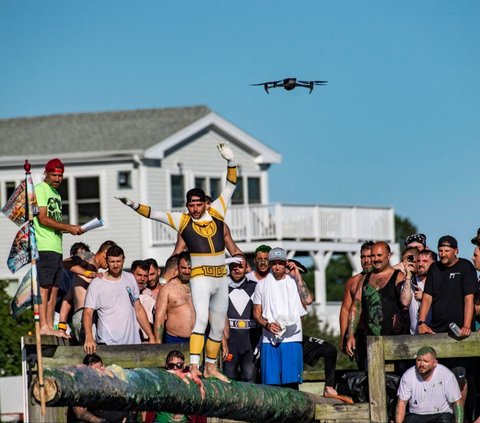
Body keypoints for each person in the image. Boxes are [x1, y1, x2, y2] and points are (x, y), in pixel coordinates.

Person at [116, 143, 236, 383]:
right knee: (201, 319)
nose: (194, 208)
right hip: (200, 275)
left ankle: (211, 367)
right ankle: (194, 366)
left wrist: (230, 161)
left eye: (198, 204)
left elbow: (231, 184)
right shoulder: (182, 220)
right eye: (190, 205)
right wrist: (132, 204)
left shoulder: (218, 212)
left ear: (205, 204)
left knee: (217, 324)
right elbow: (154, 213)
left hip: (220, 276)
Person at [33, 158, 85, 336]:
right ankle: (43, 326)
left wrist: (68, 229)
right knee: (45, 287)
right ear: (46, 173)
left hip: (56, 246)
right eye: (54, 175)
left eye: (60, 175)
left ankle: (49, 326)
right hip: (44, 244)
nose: (57, 178)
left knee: (55, 288)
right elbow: (43, 218)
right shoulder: (40, 189)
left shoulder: (56, 194)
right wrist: (68, 227)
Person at [253, 247, 312, 389]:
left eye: (280, 262)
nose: (277, 266)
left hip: (292, 338)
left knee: (291, 384)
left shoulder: (294, 282)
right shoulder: (261, 285)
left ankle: (295, 412)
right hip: (269, 339)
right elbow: (256, 312)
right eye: (274, 263)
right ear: (270, 264)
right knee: (271, 385)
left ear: (286, 263)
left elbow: (308, 300)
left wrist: (297, 275)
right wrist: (267, 325)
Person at [83, 245, 156, 353]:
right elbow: (88, 312)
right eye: (112, 261)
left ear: (123, 260)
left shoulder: (130, 278)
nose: (116, 265)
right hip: (108, 344)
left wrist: (151, 336)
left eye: (118, 261)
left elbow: (138, 308)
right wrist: (89, 337)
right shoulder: (97, 284)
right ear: (106, 261)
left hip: (132, 344)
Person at [346, 241, 410, 360]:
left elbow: (406, 302)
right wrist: (350, 335)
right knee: (371, 376)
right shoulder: (365, 278)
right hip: (370, 341)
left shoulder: (398, 276)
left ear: (389, 256)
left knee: (393, 377)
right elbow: (356, 307)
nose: (375, 259)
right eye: (373, 256)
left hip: (394, 340)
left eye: (379, 255)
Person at [58, 240, 117, 342]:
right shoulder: (90, 257)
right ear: (105, 254)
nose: (111, 264)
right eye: (110, 260)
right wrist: (87, 273)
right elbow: (66, 263)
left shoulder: (83, 274)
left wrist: (62, 327)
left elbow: (67, 301)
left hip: (81, 317)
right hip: (84, 317)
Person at [395, 346, 463, 423]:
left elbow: (457, 402)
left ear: (435, 363)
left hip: (441, 415)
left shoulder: (446, 375)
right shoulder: (408, 376)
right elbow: (402, 403)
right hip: (416, 415)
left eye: (426, 361)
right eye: (419, 360)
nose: (421, 364)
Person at [222, 254, 260, 383]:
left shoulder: (256, 287)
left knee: (250, 379)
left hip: (250, 342)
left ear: (246, 268)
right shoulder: (221, 286)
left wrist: (260, 341)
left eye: (240, 266)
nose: (237, 269)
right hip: (229, 342)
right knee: (228, 379)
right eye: (233, 266)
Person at [172, 195, 242, 258]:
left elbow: (235, 251)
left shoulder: (221, 226)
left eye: (210, 208)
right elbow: (177, 254)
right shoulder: (187, 228)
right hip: (197, 269)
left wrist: (250, 271)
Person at [339, 240, 373, 363]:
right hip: (359, 333)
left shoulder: (386, 277)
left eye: (369, 256)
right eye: (363, 257)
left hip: (380, 333)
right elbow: (345, 309)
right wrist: (343, 336)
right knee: (362, 371)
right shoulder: (353, 282)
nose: (366, 260)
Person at [72, 353, 128, 423]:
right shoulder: (83, 385)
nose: (100, 371)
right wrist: (101, 421)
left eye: (101, 366)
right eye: (95, 369)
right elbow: (80, 414)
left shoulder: (112, 376)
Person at [152, 350, 206, 423]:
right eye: (171, 365)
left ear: (184, 365)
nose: (175, 368)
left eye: (178, 365)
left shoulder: (190, 379)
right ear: (167, 366)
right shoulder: (161, 378)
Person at [154, 252, 195, 344]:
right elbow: (159, 318)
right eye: (183, 268)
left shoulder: (199, 286)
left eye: (190, 268)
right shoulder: (167, 289)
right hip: (175, 339)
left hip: (198, 338)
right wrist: (158, 343)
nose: (187, 271)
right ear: (177, 267)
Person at [401, 249, 436, 334]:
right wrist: (408, 276)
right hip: (413, 336)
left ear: (434, 263)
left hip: (434, 334)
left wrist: (424, 297)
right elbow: (405, 302)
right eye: (418, 261)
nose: (420, 264)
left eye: (425, 261)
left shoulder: (439, 282)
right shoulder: (409, 282)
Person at [131, 260, 156, 342]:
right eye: (139, 275)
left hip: (145, 341)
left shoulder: (149, 297)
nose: (142, 279)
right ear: (131, 274)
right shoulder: (123, 292)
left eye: (145, 276)